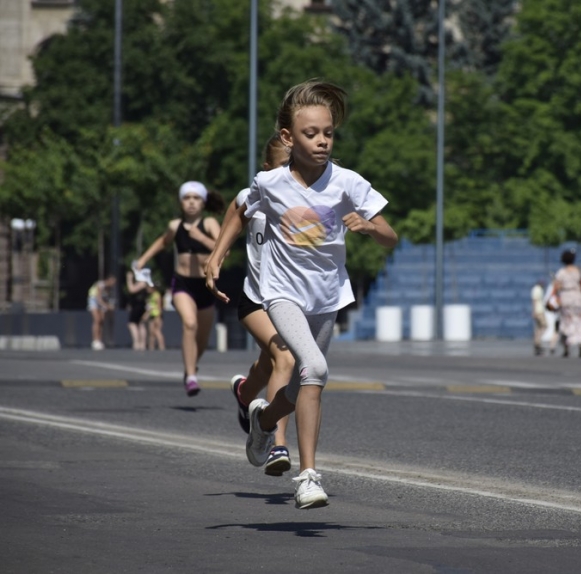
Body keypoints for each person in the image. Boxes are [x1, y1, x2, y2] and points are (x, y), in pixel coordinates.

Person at [205, 80, 398, 509]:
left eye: (328, 132)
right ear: (289, 138)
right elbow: (239, 209)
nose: (323, 141)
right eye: (312, 134)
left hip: (326, 296)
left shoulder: (347, 181)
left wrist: (370, 227)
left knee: (304, 382)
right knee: (313, 366)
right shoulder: (270, 182)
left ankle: (263, 418)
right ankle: (307, 476)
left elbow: (390, 235)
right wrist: (218, 254)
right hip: (281, 294)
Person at [223, 134, 297, 477]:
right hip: (255, 299)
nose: (289, 175)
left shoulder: (303, 201)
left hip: (292, 299)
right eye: (283, 167)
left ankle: (244, 393)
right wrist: (215, 260)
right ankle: (276, 443)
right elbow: (228, 232)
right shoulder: (247, 197)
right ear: (265, 170)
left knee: (270, 364)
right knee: (286, 357)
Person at [135, 181, 225, 396]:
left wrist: (201, 237)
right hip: (182, 284)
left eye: (196, 198)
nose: (191, 203)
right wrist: (143, 259)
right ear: (181, 202)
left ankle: (191, 367)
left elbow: (225, 250)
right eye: (187, 198)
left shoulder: (210, 223)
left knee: (202, 339)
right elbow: (162, 242)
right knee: (190, 324)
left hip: (206, 285)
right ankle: (191, 375)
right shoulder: (175, 226)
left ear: (203, 203)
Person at [553, 248, 581, 358]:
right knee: (580, 321)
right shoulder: (580, 271)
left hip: (566, 298)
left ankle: (567, 348)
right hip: (578, 297)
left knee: (566, 322)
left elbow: (557, 286)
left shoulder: (561, 272)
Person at [87, 275, 116, 350]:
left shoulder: (110, 289)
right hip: (94, 300)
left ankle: (99, 340)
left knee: (102, 321)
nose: (113, 284)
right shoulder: (100, 284)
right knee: (97, 320)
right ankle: (95, 340)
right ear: (109, 280)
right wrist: (107, 306)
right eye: (112, 281)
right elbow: (98, 298)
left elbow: (107, 298)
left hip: (103, 302)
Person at [125, 268, 149, 351]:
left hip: (139, 306)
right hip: (138, 305)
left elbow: (131, 290)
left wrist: (129, 279)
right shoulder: (143, 283)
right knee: (140, 324)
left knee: (132, 324)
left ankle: (138, 342)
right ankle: (141, 343)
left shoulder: (142, 283)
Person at [144, 284, 165, 351]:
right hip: (152, 315)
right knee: (151, 332)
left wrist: (158, 316)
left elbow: (159, 306)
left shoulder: (157, 295)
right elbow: (150, 307)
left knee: (157, 331)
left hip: (156, 315)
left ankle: (162, 347)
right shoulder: (151, 296)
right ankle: (151, 347)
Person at [531, 279, 547, 355]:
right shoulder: (537, 289)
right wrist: (534, 311)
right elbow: (534, 300)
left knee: (539, 327)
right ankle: (537, 342)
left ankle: (537, 343)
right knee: (544, 326)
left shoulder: (539, 289)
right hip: (539, 311)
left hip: (540, 310)